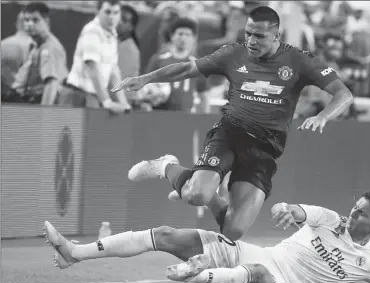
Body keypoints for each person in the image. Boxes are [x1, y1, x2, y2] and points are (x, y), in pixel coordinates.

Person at [111, 6, 354, 241]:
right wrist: (145, 79)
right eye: (248, 33)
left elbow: (344, 94)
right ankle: (165, 167)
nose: (251, 40)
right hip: (230, 133)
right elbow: (187, 68)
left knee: (233, 230)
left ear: (276, 35)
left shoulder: (300, 60)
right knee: (196, 195)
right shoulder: (232, 54)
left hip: (266, 149)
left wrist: (323, 116)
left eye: (259, 36)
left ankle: (188, 180)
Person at [44, 189, 370, 283]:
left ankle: (200, 272)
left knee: (260, 279)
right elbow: (299, 208)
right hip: (257, 255)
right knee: (171, 233)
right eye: (355, 207)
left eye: (363, 215)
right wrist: (285, 208)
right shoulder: (330, 219)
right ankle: (73, 252)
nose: (354, 215)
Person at [57, 0, 129, 113]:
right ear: (98, 12)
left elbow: (114, 71)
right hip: (76, 95)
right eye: (107, 12)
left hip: (92, 97)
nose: (112, 17)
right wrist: (107, 101)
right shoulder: (92, 31)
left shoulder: (112, 34)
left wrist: (124, 103)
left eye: (116, 13)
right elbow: (92, 68)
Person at [142, 17, 209, 113]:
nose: (183, 38)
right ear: (172, 36)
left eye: (188, 34)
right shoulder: (158, 59)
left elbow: (204, 95)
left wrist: (205, 120)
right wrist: (154, 92)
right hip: (159, 115)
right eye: (180, 34)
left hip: (186, 117)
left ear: (194, 38)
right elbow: (146, 84)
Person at [11, 2, 68, 105]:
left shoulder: (49, 48)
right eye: (26, 20)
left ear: (46, 22)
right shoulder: (37, 45)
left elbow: (51, 84)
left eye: (35, 20)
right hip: (32, 102)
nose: (30, 24)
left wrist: (43, 116)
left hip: (45, 104)